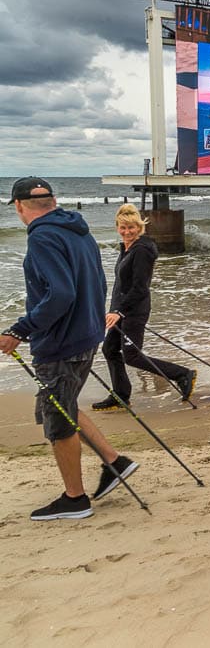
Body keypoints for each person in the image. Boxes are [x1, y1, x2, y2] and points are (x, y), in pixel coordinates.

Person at [0, 177, 139, 520]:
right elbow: (95, 281)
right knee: (62, 406)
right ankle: (115, 462)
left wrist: (20, 329)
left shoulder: (43, 237)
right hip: (85, 335)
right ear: (54, 200)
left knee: (58, 420)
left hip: (62, 342)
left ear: (18, 206)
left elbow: (60, 295)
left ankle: (75, 499)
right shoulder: (78, 230)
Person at [92, 204, 197, 411]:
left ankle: (182, 374)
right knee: (110, 349)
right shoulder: (127, 248)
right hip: (121, 310)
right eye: (123, 227)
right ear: (117, 227)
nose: (127, 232)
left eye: (132, 227)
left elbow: (140, 288)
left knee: (131, 355)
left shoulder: (142, 250)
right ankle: (121, 395)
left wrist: (119, 311)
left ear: (140, 227)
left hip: (134, 310)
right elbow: (122, 285)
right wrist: (113, 310)